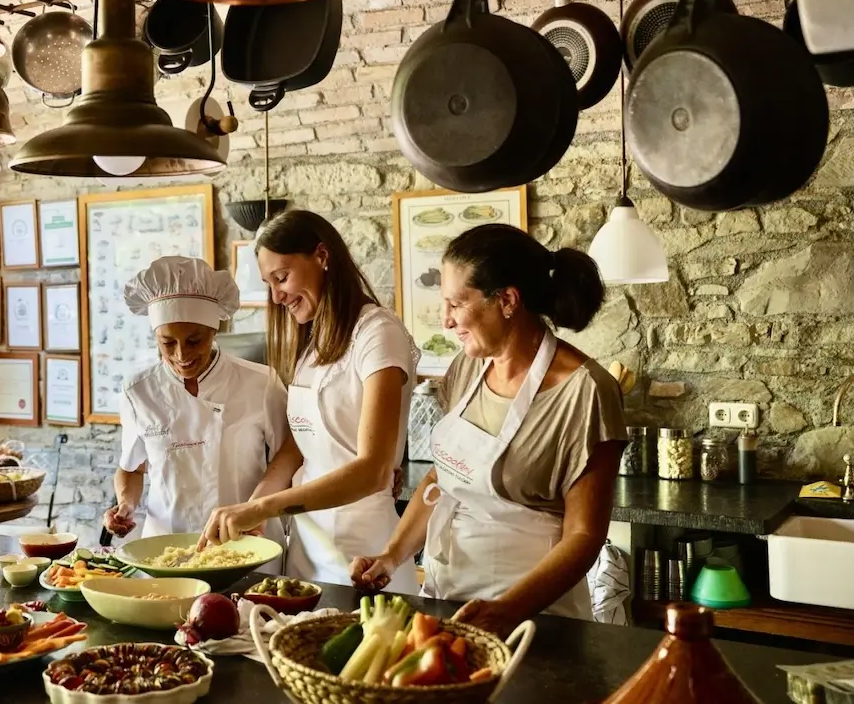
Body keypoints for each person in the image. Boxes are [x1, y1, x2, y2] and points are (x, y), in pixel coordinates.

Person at [350, 224, 628, 636]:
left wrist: (507, 610)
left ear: (508, 300)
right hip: (448, 600)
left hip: (534, 620)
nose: (445, 321)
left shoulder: (586, 392)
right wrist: (391, 557)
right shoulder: (467, 367)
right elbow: (442, 479)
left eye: (456, 304)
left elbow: (585, 535)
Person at [198, 210, 420, 594]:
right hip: (306, 548)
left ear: (322, 256)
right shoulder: (311, 346)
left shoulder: (378, 334)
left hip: (362, 550)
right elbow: (300, 446)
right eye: (268, 283)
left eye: (281, 278)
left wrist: (267, 507)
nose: (276, 296)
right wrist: (257, 501)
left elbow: (374, 470)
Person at [103, 256, 287, 566]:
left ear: (214, 332)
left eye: (194, 340)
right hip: (167, 549)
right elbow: (132, 468)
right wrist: (125, 504)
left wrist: (260, 509)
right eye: (167, 342)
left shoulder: (260, 383)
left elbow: (290, 457)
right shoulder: (139, 391)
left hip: (247, 545)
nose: (181, 354)